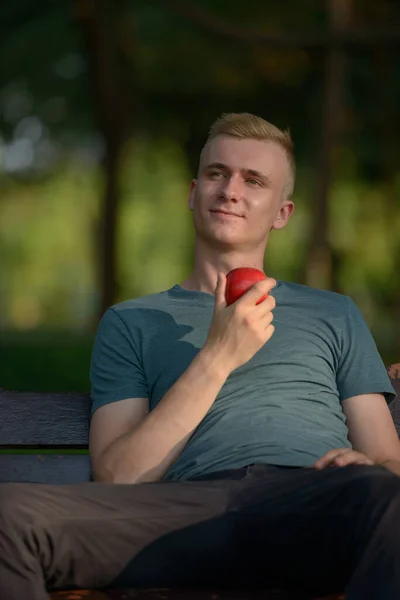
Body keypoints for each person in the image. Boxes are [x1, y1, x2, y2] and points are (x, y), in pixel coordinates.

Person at [1, 113, 399, 600]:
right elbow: (120, 476)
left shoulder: (333, 313)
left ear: (282, 213)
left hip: (316, 502)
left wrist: (361, 465)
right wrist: (217, 356)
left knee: (384, 495)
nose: (230, 190)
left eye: (254, 180)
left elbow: (388, 460)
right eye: (217, 173)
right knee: (8, 517)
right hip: (182, 515)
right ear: (193, 193)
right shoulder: (132, 322)